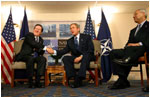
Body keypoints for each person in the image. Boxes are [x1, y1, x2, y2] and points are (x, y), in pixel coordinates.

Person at [108, 9, 149, 89]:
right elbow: (128, 43)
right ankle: (123, 78)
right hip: (130, 51)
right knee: (113, 52)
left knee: (133, 49)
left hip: (144, 50)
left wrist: (137, 44)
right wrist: (129, 46)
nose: (133, 16)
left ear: (143, 14)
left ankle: (122, 80)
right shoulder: (133, 31)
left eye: (136, 14)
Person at [46, 23, 95, 88]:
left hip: (87, 55)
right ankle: (73, 76)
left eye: (73, 27)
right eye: (70, 28)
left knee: (85, 56)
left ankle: (79, 79)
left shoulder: (86, 37)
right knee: (65, 58)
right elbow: (64, 51)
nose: (71, 29)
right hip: (76, 57)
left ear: (78, 29)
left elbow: (91, 50)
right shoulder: (70, 41)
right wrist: (53, 51)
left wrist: (81, 57)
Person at [15, 24, 47, 88]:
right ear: (33, 29)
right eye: (36, 28)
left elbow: (40, 51)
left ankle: (38, 81)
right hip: (24, 55)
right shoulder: (29, 35)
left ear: (41, 32)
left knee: (42, 59)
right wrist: (45, 48)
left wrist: (41, 50)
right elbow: (33, 43)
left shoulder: (41, 39)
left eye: (39, 29)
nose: (37, 30)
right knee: (30, 58)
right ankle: (30, 82)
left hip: (34, 56)